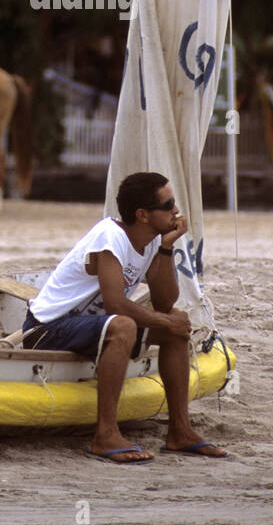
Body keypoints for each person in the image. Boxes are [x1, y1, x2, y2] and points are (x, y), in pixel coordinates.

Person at [21, 171, 227, 463]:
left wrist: (168, 246)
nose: (176, 211)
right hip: (45, 330)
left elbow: (165, 300)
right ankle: (104, 436)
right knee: (127, 324)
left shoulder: (154, 241)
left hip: (90, 328)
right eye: (168, 205)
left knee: (174, 328)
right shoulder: (110, 235)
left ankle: (180, 431)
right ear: (143, 214)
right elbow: (116, 304)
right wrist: (167, 320)